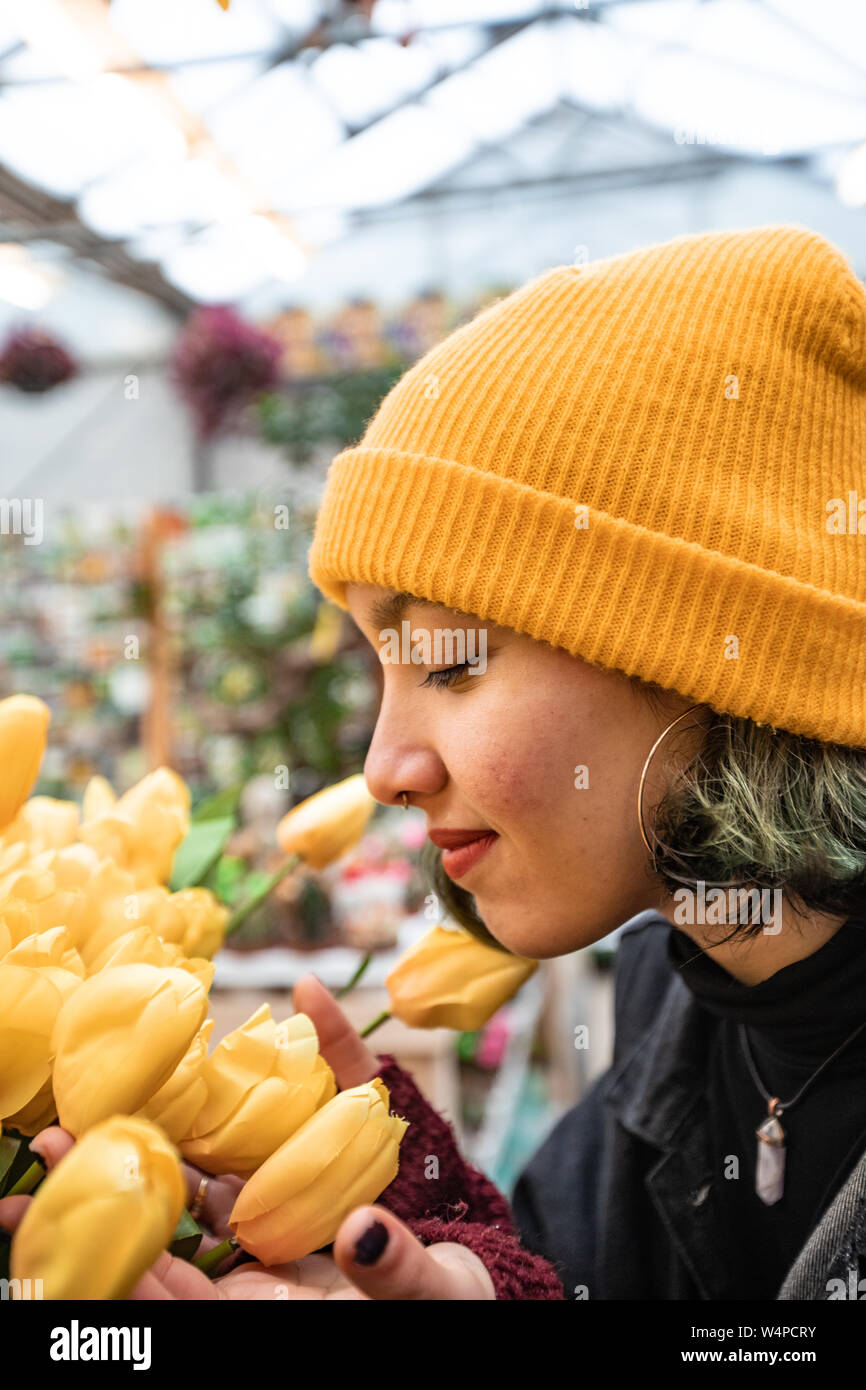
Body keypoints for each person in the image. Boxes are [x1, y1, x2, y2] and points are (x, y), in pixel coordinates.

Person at [5, 223, 865, 1301]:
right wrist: (452, 1258)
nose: (380, 768)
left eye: (449, 662)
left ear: (714, 655)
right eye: (378, 671)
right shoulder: (678, 990)